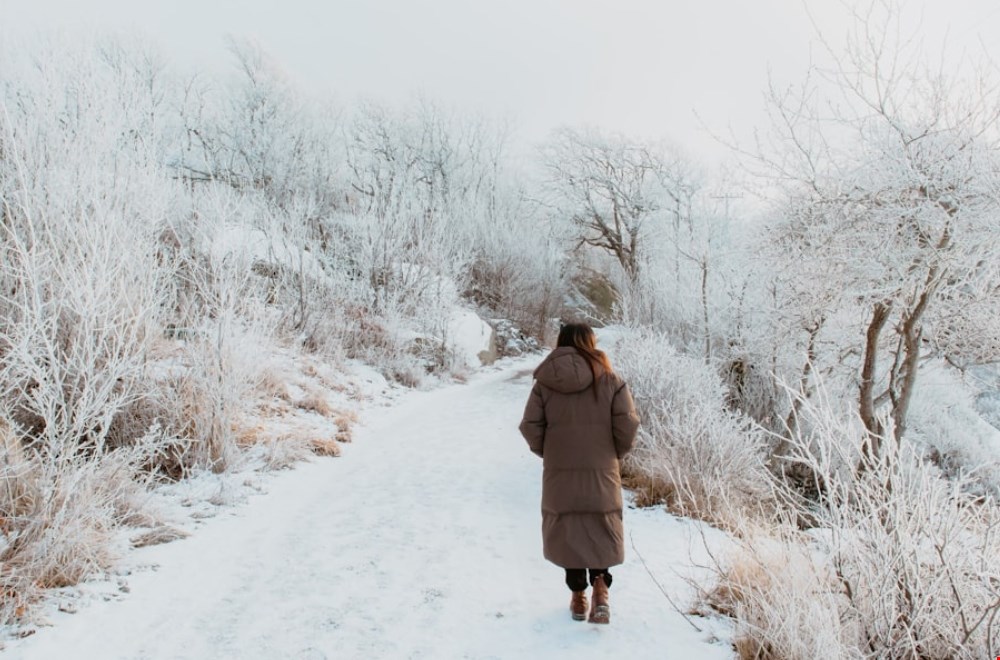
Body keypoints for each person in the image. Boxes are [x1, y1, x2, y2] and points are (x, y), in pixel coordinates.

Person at [518, 323, 640, 624]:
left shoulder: (545, 383)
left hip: (560, 471)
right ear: (591, 342)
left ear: (561, 343)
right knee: (601, 523)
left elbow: (530, 426)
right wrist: (613, 455)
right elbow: (628, 426)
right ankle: (601, 590)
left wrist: (552, 453)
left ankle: (577, 597)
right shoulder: (611, 380)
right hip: (602, 469)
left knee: (569, 528)